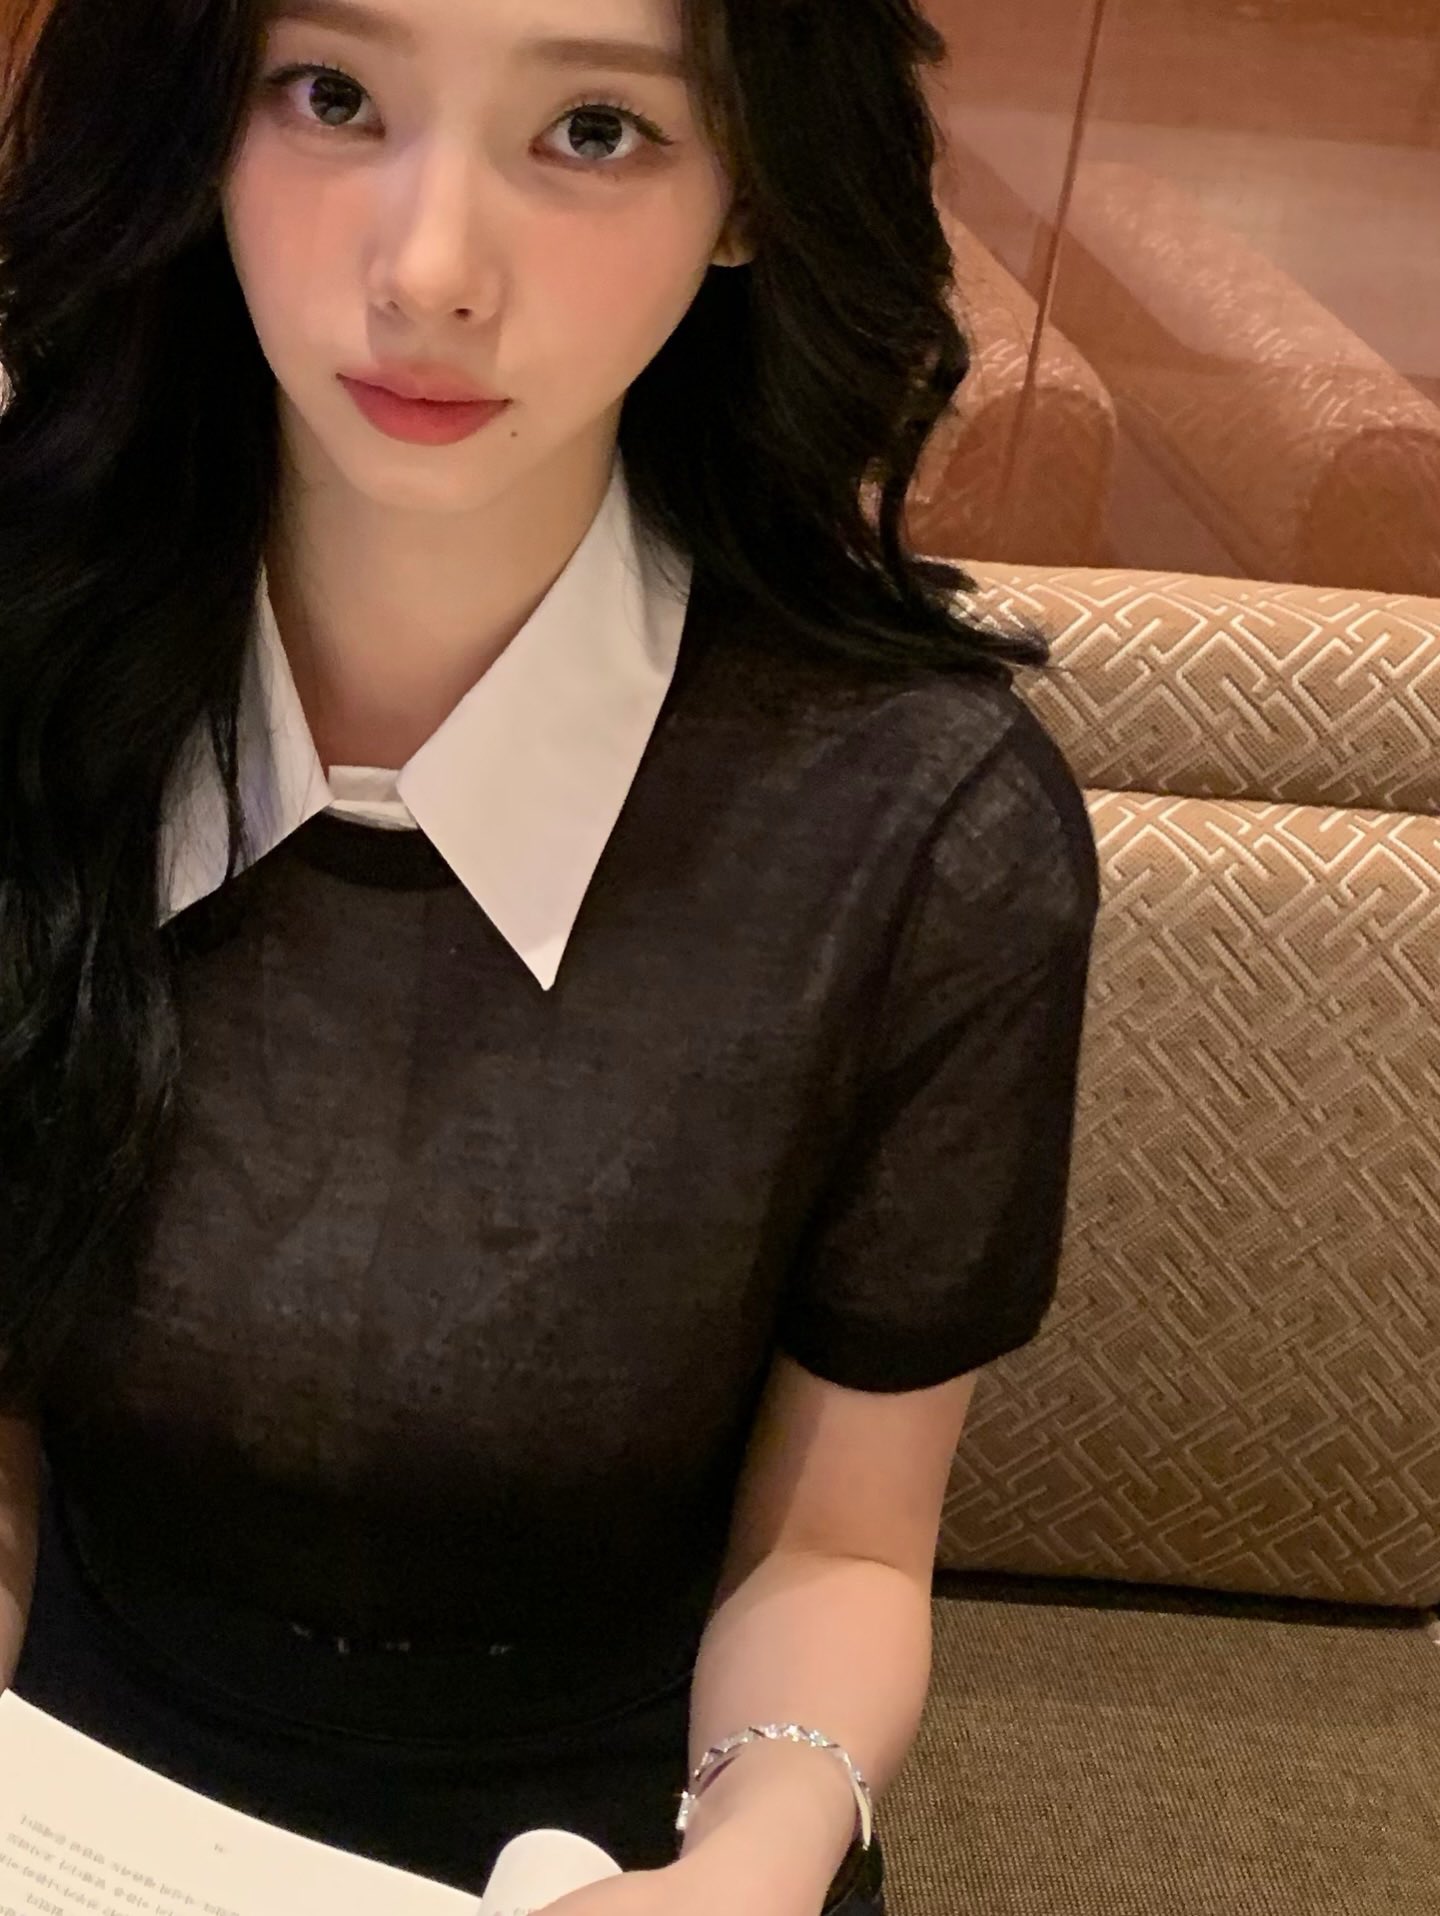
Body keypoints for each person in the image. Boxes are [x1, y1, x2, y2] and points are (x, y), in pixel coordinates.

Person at [0, 0, 1100, 1911]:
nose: (430, 271)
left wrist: (755, 1855)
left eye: (594, 129)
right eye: (331, 95)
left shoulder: (919, 831)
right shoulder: (34, 684)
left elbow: (837, 1549)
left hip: (629, 1838)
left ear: (747, 188)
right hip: (77, 1795)